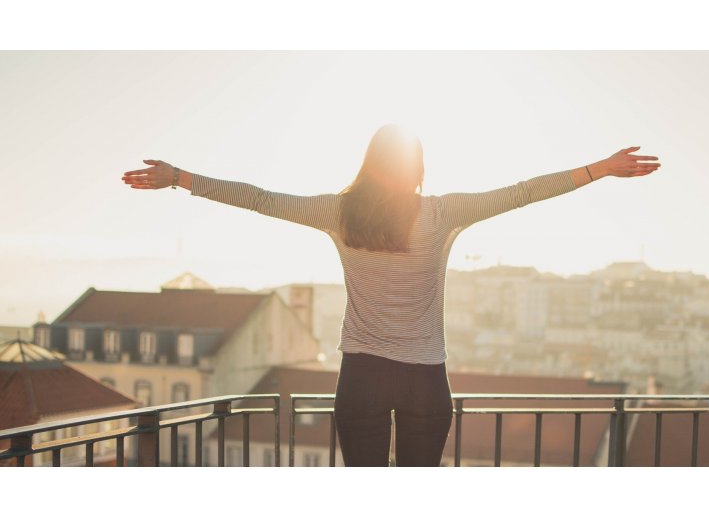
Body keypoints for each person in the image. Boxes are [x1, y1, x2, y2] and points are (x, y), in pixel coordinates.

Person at [121, 124, 661, 466]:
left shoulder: (337, 211)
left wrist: (180, 178)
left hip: (362, 376)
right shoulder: (444, 212)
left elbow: (261, 200)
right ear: (418, 168)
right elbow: (520, 194)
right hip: (426, 377)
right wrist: (599, 170)